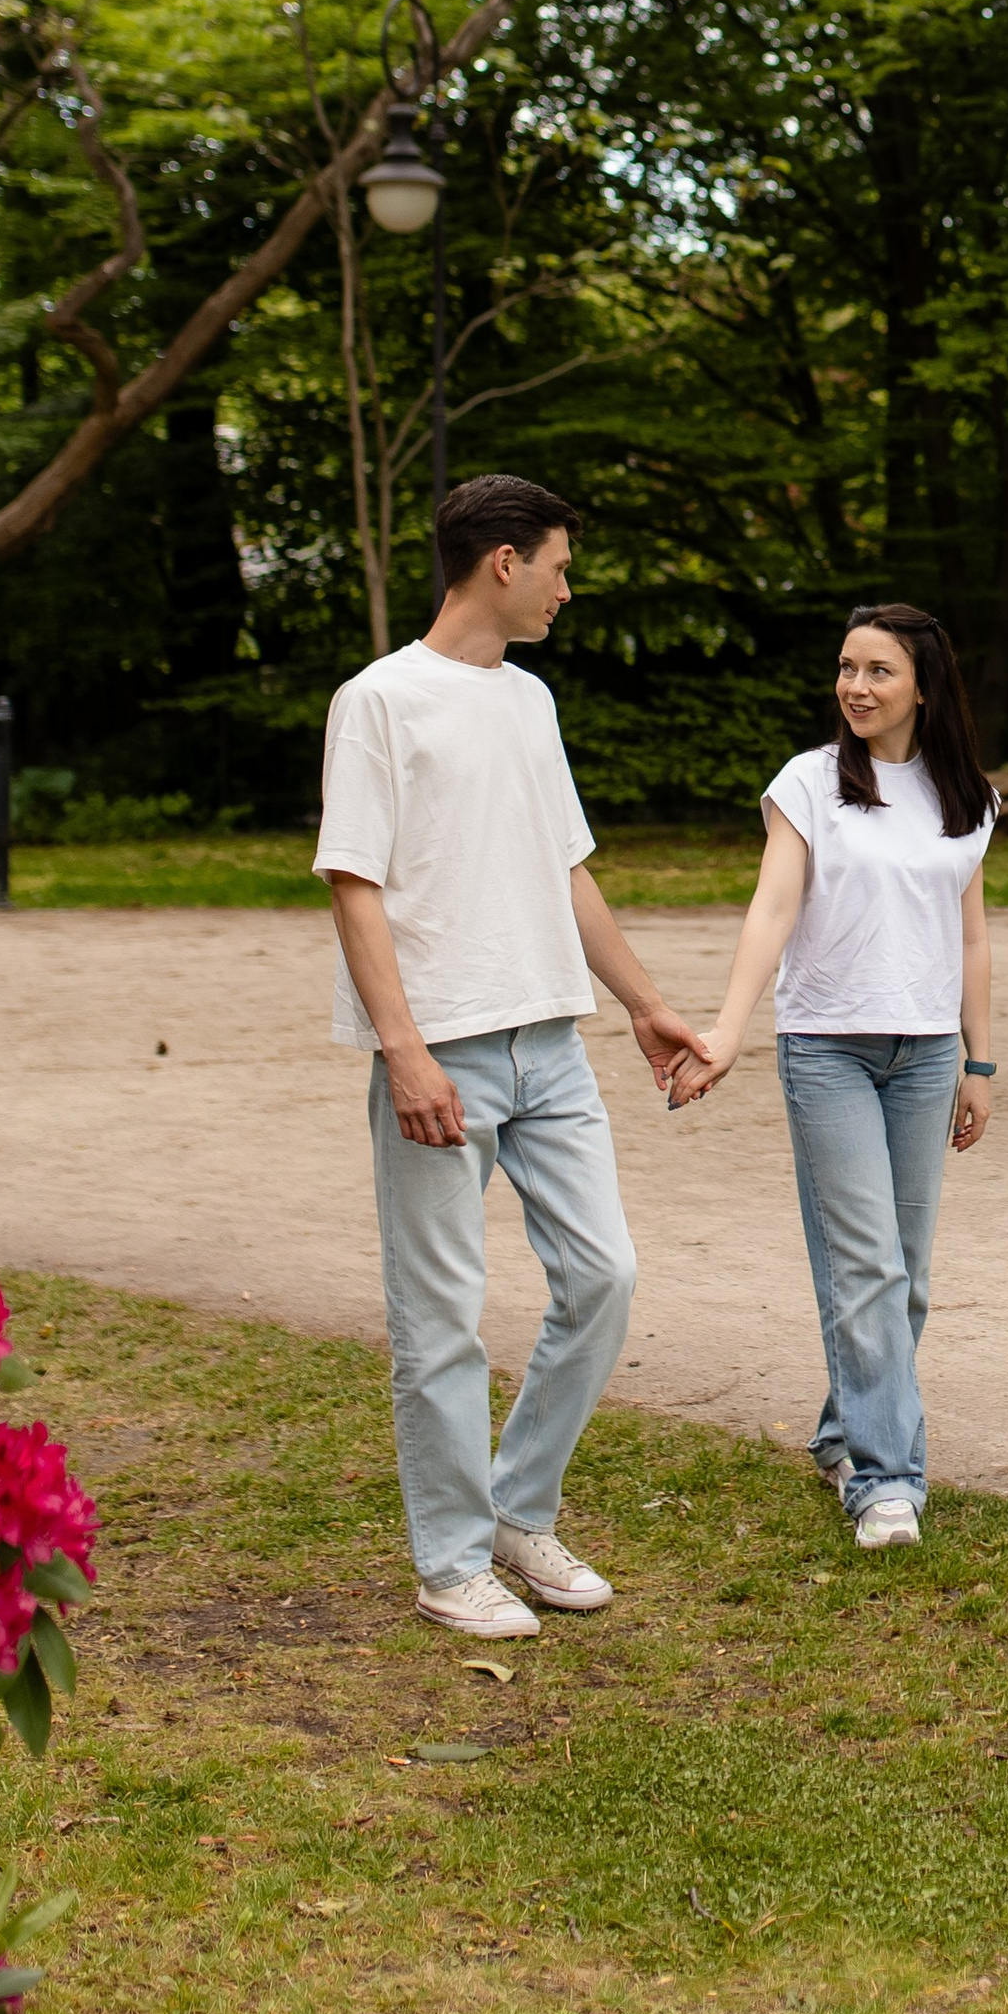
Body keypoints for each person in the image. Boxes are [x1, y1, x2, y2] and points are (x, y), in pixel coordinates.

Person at [317, 470, 710, 1644]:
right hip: (438, 1056)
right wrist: (406, 1051)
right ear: (503, 563)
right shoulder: (380, 700)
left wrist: (641, 1003)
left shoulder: (530, 702)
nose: (566, 586)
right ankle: (449, 1563)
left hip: (552, 1044)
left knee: (605, 1277)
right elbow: (354, 881)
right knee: (439, 1316)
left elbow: (567, 868)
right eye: (558, 564)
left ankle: (514, 1510)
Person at [669, 602, 997, 1550]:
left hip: (929, 1052)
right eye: (847, 667)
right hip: (828, 1051)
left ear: (924, 685)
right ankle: (888, 1481)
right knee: (867, 1265)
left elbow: (971, 936)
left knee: (910, 1279)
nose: (856, 686)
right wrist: (729, 1030)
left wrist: (979, 1059)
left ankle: (840, 1432)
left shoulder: (966, 795)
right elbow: (773, 908)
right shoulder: (810, 783)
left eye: (878, 671)